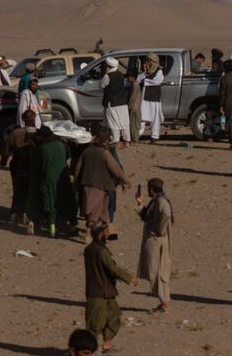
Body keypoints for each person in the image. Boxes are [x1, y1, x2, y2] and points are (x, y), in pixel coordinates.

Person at [83, 221, 137, 354]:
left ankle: (107, 344)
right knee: (95, 325)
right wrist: (130, 278)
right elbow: (112, 269)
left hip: (106, 292)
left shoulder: (91, 248)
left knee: (114, 316)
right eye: (106, 232)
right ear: (101, 234)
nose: (108, 234)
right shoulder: (99, 250)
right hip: (98, 293)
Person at [74, 128, 130, 234]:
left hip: (88, 185)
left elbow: (78, 169)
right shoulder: (105, 154)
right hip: (101, 186)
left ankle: (105, 233)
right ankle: (90, 233)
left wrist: (76, 184)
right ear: (105, 141)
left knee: (96, 210)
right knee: (96, 212)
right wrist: (126, 180)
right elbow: (116, 169)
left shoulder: (86, 152)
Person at [27, 126, 77, 238]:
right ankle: (71, 226)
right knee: (66, 200)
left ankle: (52, 228)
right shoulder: (62, 145)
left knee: (50, 201)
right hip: (63, 178)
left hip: (49, 179)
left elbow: (40, 167)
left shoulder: (42, 148)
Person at [135, 178, 173, 313]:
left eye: (148, 188)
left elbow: (166, 215)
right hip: (155, 241)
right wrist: (140, 203)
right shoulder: (157, 201)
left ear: (152, 188)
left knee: (158, 272)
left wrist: (159, 231)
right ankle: (164, 302)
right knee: (154, 272)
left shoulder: (162, 202)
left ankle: (165, 303)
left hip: (157, 242)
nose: (147, 191)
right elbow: (147, 216)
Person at [8, 110, 37, 225]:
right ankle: (27, 215)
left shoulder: (16, 133)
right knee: (30, 192)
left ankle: (15, 214)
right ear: (33, 119)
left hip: (16, 166)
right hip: (31, 167)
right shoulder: (37, 134)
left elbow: (7, 151)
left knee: (17, 191)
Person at [100, 57, 130, 145]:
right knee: (124, 121)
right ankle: (127, 139)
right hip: (122, 102)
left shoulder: (107, 76)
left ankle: (116, 140)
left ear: (108, 66)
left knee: (113, 122)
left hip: (112, 103)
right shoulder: (121, 74)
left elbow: (101, 87)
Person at [137, 53, 165, 143]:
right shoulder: (144, 72)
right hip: (144, 99)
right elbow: (138, 80)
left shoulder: (159, 71)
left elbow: (157, 81)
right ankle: (137, 135)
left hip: (154, 98)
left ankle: (154, 137)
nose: (146, 63)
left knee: (155, 118)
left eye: (148, 61)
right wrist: (144, 72)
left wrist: (145, 80)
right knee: (142, 117)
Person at [126, 70, 141, 144]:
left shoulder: (135, 85)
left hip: (134, 107)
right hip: (135, 107)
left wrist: (128, 106)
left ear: (132, 77)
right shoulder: (134, 84)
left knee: (134, 125)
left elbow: (132, 97)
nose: (128, 79)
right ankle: (135, 140)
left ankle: (135, 140)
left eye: (128, 77)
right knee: (134, 124)